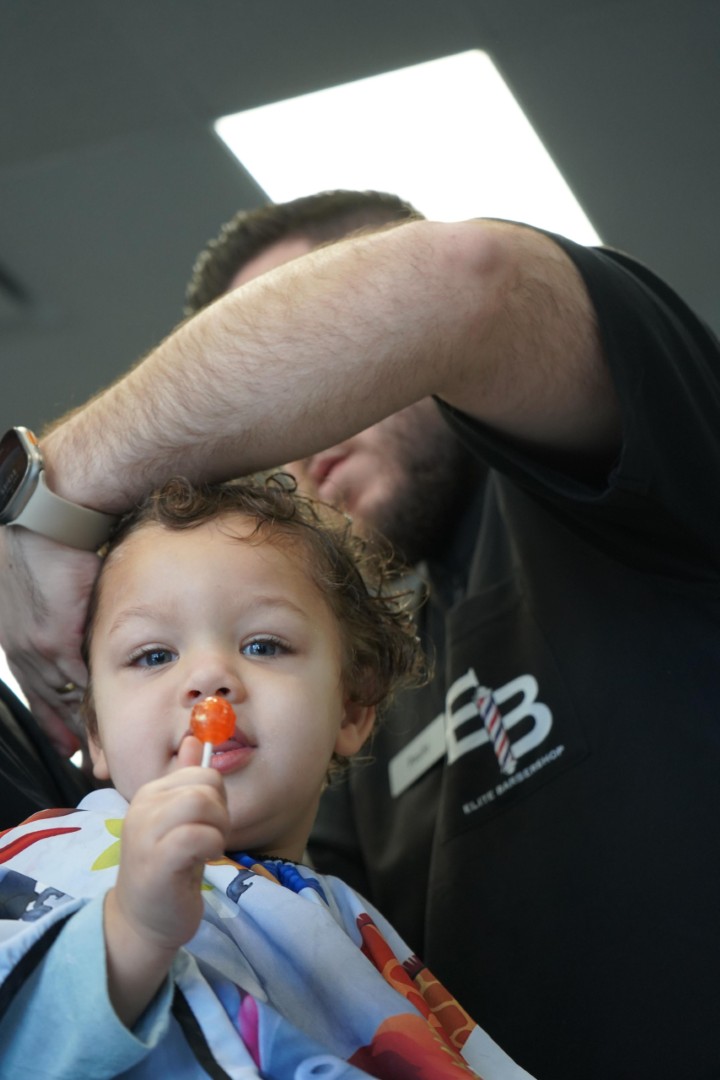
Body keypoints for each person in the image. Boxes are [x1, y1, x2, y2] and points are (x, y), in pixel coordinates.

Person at [0, 190, 719, 1079]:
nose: (299, 431)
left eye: (298, 360)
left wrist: (45, 499)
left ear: (357, 707)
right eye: (154, 654)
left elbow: (463, 279)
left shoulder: (648, 480)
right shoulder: (302, 758)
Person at [0, 474, 535, 1079]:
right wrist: (130, 929)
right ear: (96, 732)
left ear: (351, 709)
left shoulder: (353, 930)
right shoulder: (52, 856)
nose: (209, 677)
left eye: (263, 645)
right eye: (154, 656)